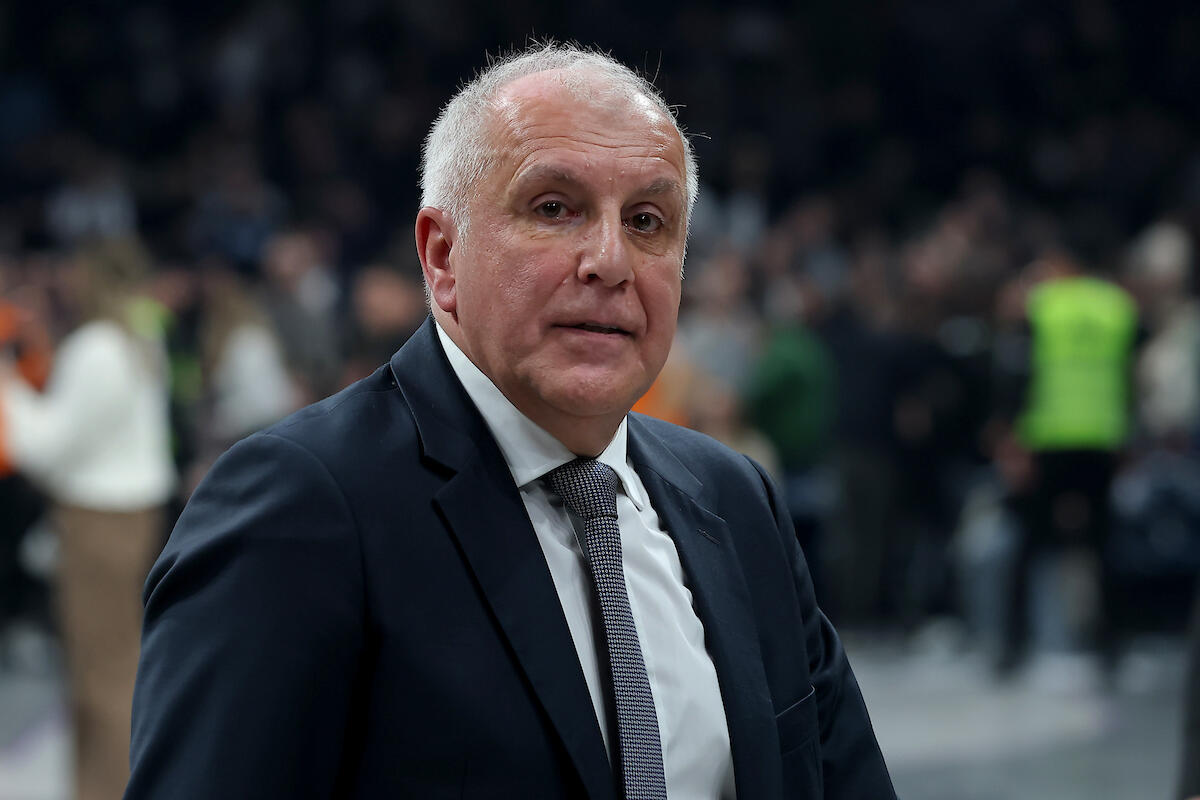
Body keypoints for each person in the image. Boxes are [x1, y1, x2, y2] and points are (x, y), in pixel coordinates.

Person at [126, 44, 895, 799]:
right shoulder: (297, 508)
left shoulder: (735, 498)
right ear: (442, 257)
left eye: (647, 220)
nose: (610, 260)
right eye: (553, 208)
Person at [0, 238, 176, 800]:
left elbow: (44, 448)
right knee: (116, 662)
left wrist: (7, 383)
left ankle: (108, 789)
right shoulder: (140, 334)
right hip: (135, 514)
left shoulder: (96, 347)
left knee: (100, 674)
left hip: (97, 520)